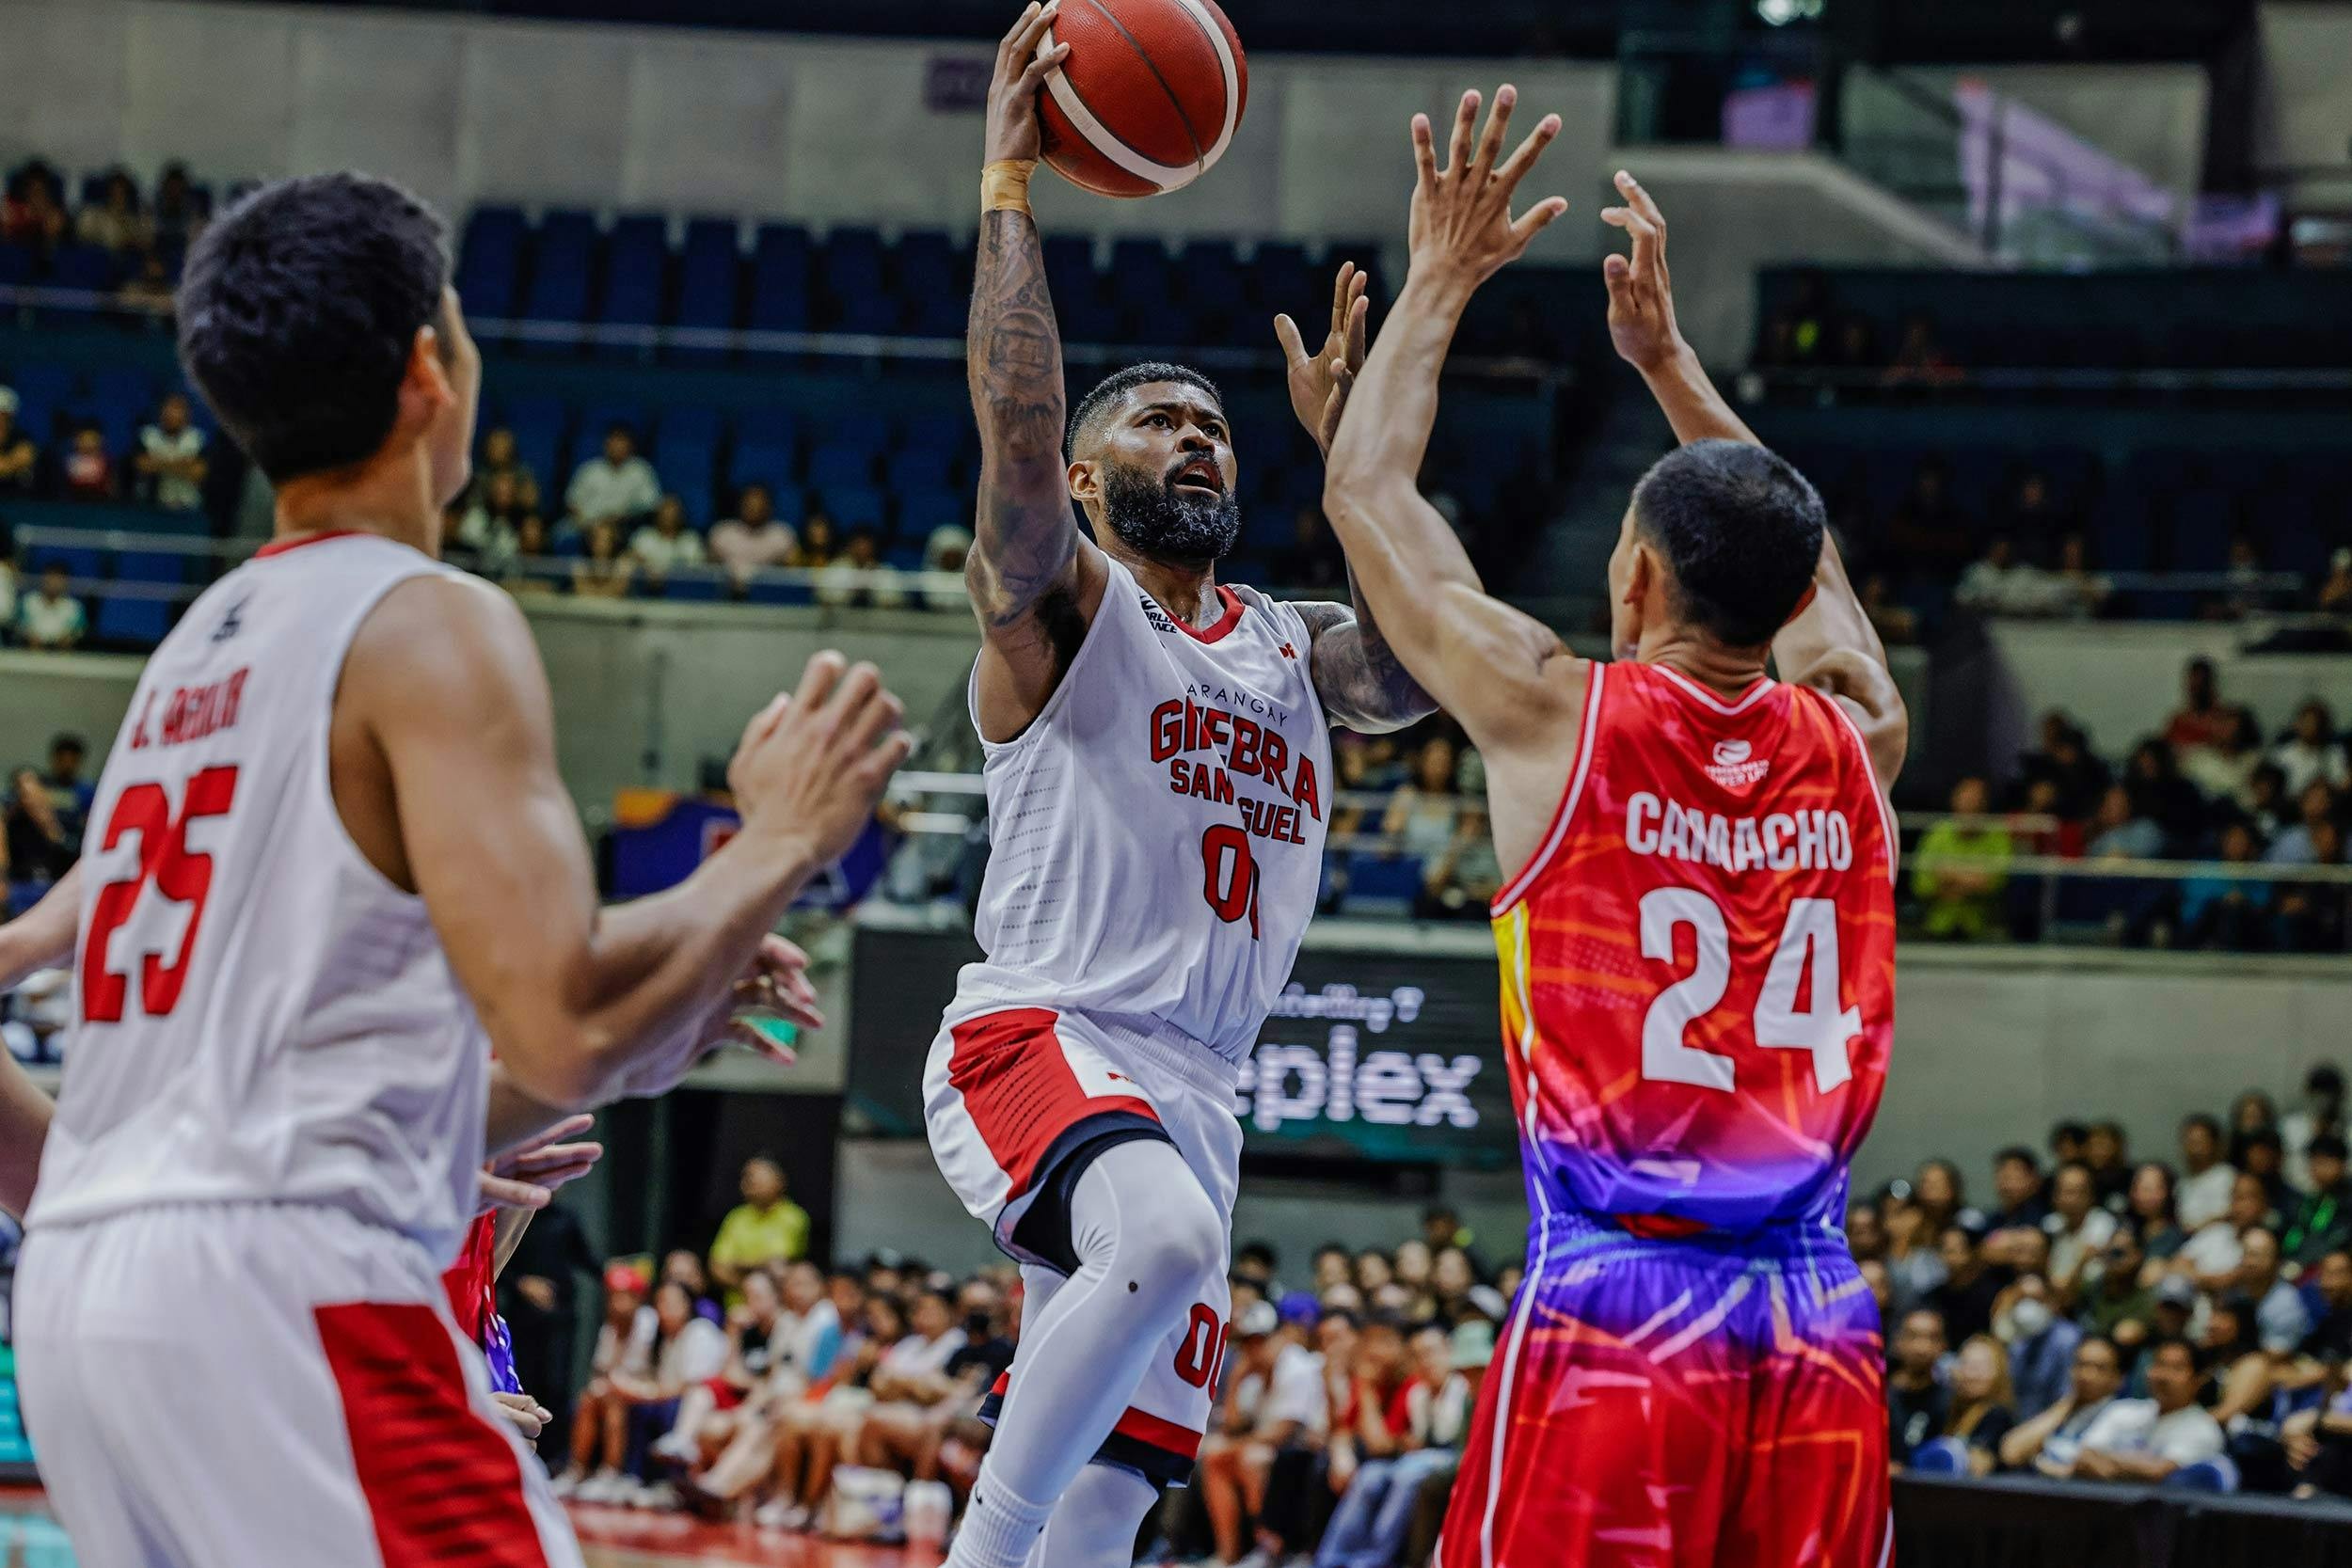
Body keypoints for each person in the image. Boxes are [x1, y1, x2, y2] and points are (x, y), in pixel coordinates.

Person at [5, 172, 908, 1568]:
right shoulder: (427, 620)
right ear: (431, 366)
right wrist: (780, 841)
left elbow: (296, 1088)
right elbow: (562, 1016)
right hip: (283, 1293)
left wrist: (649, 1010)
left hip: (87, 1299)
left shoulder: (189, 654)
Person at [1322, 110, 1906, 1564]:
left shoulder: (1554, 714)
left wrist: (1441, 274)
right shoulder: (1861, 735)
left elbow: (1366, 492)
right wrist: (1669, 364)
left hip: (1620, 1304)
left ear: (1634, 576)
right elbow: (1805, 558)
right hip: (1817, 1314)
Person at [925, 16, 1438, 1568]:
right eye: (1158, 421)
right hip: (1046, 1031)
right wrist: (1009, 186)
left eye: (1214, 424)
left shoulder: (1293, 644)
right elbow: (1017, 439)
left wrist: (1358, 464)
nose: (1197, 437)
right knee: (1156, 1234)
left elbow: (1426, 663)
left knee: (1114, 1501)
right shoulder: (1067, 611)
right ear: (1088, 481)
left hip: (1200, 1090)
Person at [2057, 1338, 2225, 1482]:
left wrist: (2105, 1461)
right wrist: (2135, 1468)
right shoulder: (2122, 1410)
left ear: (2198, 1380)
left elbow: (2157, 1472)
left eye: (2176, 1368)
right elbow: (2084, 1455)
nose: (2163, 1376)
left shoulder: (2203, 1429)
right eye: (2159, 1364)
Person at [1997, 1334, 2127, 1475]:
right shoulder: (2065, 1409)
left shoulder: (2123, 1416)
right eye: (2081, 1365)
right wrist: (2068, 1404)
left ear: (2118, 1379)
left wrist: (2038, 1462)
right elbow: (2011, 1452)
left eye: (2100, 1368)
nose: (2087, 1375)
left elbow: (2092, 1469)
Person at [1912, 777, 2011, 940]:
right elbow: (1921, 884)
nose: (1969, 810)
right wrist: (1972, 880)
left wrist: (1949, 876)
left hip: (1982, 932)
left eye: (1975, 805)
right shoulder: (1937, 833)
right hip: (1937, 927)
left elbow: (1996, 883)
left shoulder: (1998, 835)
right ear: (1954, 803)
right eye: (1965, 803)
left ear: (1985, 807)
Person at [708, 1155, 811, 1293]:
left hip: (779, 1302)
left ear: (779, 1181)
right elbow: (717, 1267)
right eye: (746, 1179)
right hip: (738, 1301)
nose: (748, 1184)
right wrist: (752, 1290)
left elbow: (778, 1265)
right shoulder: (736, 1218)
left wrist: (736, 1264)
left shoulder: (793, 1217)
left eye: (757, 1179)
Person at [1938, 1335, 2018, 1476]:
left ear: (1999, 1372)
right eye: (1965, 1364)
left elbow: (1978, 1467)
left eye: (1980, 1367)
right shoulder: (1949, 1410)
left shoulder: (1997, 1415)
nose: (1971, 1375)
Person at [566, 421, 661, 532]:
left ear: (631, 446)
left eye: (622, 442)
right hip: (586, 524)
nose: (617, 447)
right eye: (613, 441)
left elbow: (651, 503)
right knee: (562, 534)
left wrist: (622, 518)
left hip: (624, 526)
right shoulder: (589, 469)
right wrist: (586, 524)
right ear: (605, 444)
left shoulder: (641, 470)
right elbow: (572, 501)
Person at [1886, 1309, 1949, 1465]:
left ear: (1943, 1346)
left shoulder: (1952, 1401)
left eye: (1932, 1338)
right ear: (1898, 1342)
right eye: (1913, 1336)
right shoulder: (1876, 1395)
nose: (1922, 1347)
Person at [707, 482, 798, 588]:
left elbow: (792, 575)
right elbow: (708, 572)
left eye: (759, 503)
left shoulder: (782, 535)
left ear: (769, 506)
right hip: (726, 594)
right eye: (749, 504)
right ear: (740, 505)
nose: (754, 508)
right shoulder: (722, 533)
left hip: (770, 594)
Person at [135, 391, 210, 512]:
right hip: (152, 506)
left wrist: (157, 462)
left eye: (178, 409)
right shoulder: (148, 435)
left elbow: (198, 472)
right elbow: (142, 465)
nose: (173, 414)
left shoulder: (197, 438)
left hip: (188, 507)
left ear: (187, 414)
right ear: (161, 411)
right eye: (169, 408)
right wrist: (183, 464)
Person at [2177, 1114, 2239, 1232]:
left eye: (2199, 1141)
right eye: (2190, 1141)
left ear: (2214, 1144)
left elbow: (2230, 1212)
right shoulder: (2183, 1182)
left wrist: (2198, 1227)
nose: (2194, 1148)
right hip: (2186, 1238)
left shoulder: (2226, 1175)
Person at [0, 388, 38, 495]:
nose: (1, 423)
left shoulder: (23, 441)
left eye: (5, 417)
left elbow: (24, 456)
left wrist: (11, 463)